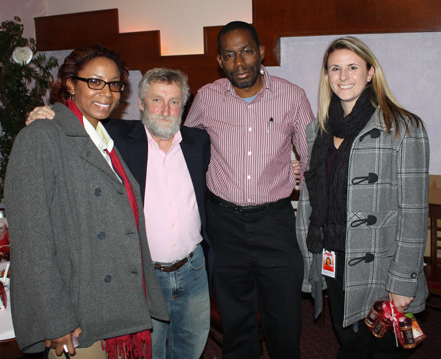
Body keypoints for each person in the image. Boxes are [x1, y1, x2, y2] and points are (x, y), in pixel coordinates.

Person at [26, 68, 212, 359]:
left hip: (194, 268)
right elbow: (73, 125)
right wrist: (46, 115)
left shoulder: (198, 142)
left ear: (184, 106)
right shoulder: (116, 138)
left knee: (192, 345)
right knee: (152, 351)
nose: (166, 109)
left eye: (174, 102)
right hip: (146, 274)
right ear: (140, 103)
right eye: (157, 100)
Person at [5, 45, 168, 359]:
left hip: (112, 303)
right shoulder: (41, 137)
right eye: (94, 82)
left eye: (114, 84)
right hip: (78, 317)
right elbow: (32, 242)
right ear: (70, 84)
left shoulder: (103, 139)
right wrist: (56, 321)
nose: (106, 93)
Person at [185, 21, 314, 358]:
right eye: (229, 55)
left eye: (245, 51)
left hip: (275, 222)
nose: (239, 62)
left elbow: (314, 157)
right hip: (223, 224)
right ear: (219, 60)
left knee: (284, 320)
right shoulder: (206, 98)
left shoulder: (293, 96)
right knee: (236, 320)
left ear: (261, 53)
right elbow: (180, 148)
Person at [296, 36, 429, 359]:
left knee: (384, 349)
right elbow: (313, 197)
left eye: (353, 67)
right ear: (327, 76)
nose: (343, 76)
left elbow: (413, 212)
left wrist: (402, 281)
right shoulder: (318, 131)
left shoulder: (403, 127)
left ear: (370, 72)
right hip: (334, 256)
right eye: (335, 68)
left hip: (381, 264)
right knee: (351, 343)